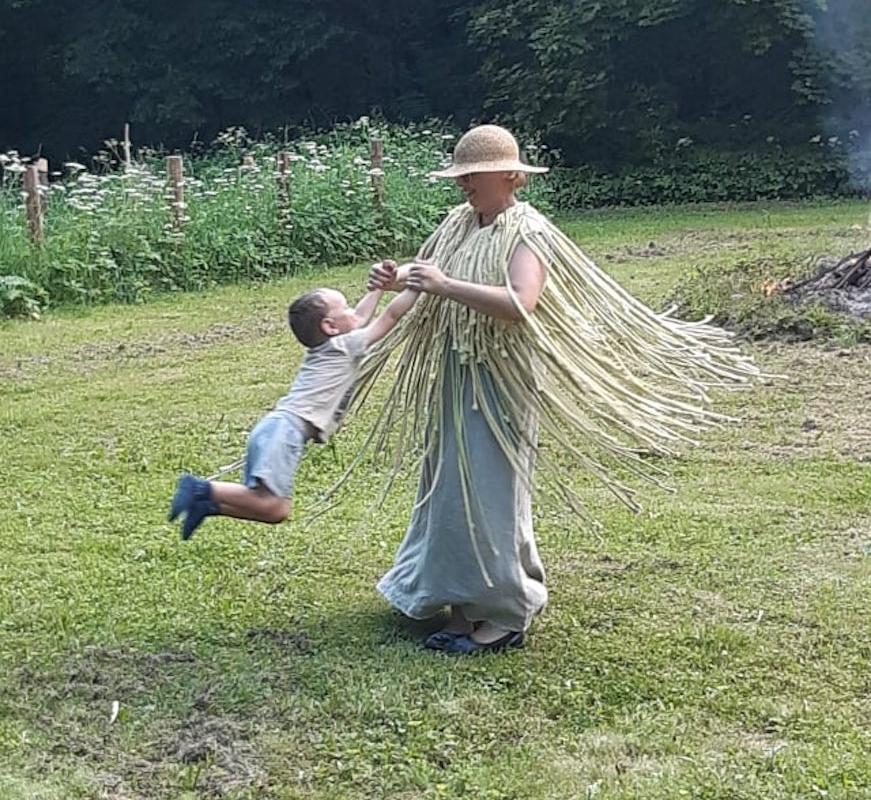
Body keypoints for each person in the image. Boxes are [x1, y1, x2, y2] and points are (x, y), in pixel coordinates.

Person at [358, 124, 758, 655]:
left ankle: (503, 614)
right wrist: (397, 282)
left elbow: (522, 302)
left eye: (472, 175)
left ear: (509, 175)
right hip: (457, 375)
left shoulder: (528, 233)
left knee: (491, 494)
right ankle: (456, 606)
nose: (464, 185)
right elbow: (428, 277)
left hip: (502, 379)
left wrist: (446, 286)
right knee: (448, 489)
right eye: (461, 176)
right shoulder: (460, 222)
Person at [168, 267, 418, 540]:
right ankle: (200, 489)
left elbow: (358, 317)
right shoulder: (346, 346)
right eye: (345, 307)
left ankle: (208, 506)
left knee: (276, 511)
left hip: (277, 429)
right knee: (267, 503)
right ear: (330, 327)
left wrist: (379, 287)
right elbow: (391, 316)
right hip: (285, 431)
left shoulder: (334, 345)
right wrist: (417, 286)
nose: (353, 311)